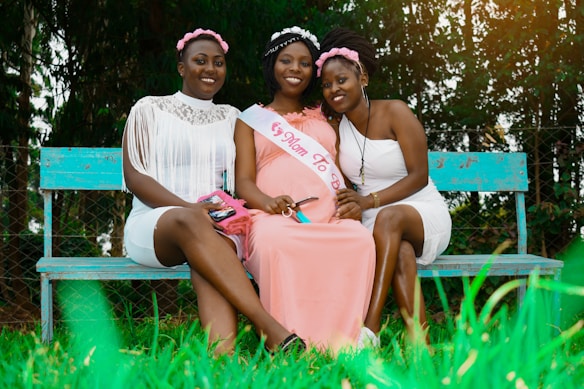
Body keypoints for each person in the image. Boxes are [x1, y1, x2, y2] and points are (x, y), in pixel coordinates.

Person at [122, 28, 304, 355]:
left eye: (218, 63)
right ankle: (270, 328)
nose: (211, 69)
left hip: (213, 226)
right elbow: (136, 178)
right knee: (194, 224)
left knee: (213, 248)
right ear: (181, 67)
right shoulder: (148, 109)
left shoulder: (231, 117)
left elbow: (244, 180)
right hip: (153, 226)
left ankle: (222, 360)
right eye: (200, 61)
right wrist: (190, 209)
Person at [234, 26, 376, 351]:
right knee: (276, 241)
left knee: (359, 239)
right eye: (286, 60)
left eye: (304, 63)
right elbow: (243, 182)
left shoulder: (327, 115)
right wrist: (268, 202)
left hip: (328, 216)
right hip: (272, 217)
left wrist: (353, 202)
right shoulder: (251, 119)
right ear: (272, 65)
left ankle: (344, 340)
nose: (295, 69)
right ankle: (287, 338)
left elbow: (344, 165)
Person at [317, 28, 452, 343]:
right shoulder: (337, 129)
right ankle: (421, 348)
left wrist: (369, 201)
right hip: (375, 224)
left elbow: (419, 175)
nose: (334, 89)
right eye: (326, 85)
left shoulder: (395, 111)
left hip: (422, 212)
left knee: (391, 219)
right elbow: (344, 182)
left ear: (362, 78)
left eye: (341, 80)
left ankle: (370, 326)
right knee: (401, 252)